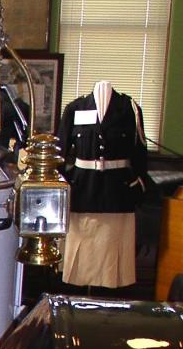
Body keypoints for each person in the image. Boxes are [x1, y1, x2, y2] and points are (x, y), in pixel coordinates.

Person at [57, 80, 150, 290]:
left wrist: (138, 183)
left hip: (117, 190)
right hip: (83, 189)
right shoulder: (75, 108)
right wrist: (61, 185)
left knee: (112, 248)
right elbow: (60, 152)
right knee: (82, 245)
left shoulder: (130, 108)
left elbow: (140, 152)